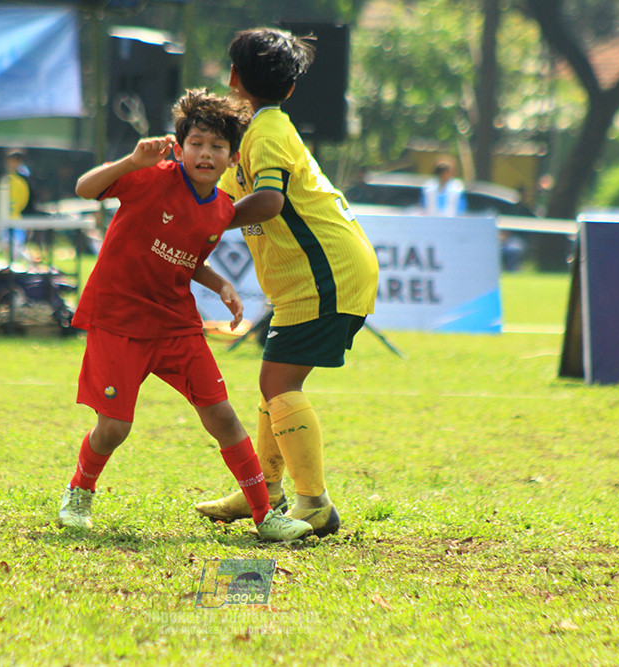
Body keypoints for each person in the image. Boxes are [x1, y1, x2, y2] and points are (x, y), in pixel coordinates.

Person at [58, 89, 314, 543]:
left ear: (233, 159)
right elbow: (85, 189)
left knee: (223, 417)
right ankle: (79, 492)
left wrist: (220, 284)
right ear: (179, 148)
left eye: (217, 146)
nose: (205, 154)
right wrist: (130, 162)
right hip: (118, 320)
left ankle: (264, 515)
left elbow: (187, 256)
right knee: (114, 428)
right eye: (196, 143)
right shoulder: (149, 175)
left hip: (175, 325)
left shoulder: (221, 210)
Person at [195, 28, 379, 538]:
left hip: (328, 275)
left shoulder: (268, 131)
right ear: (292, 88)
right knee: (272, 383)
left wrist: (211, 221)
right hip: (315, 278)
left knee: (279, 384)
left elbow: (269, 201)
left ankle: (313, 503)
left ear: (233, 77)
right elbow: (216, 198)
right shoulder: (253, 134)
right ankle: (265, 491)